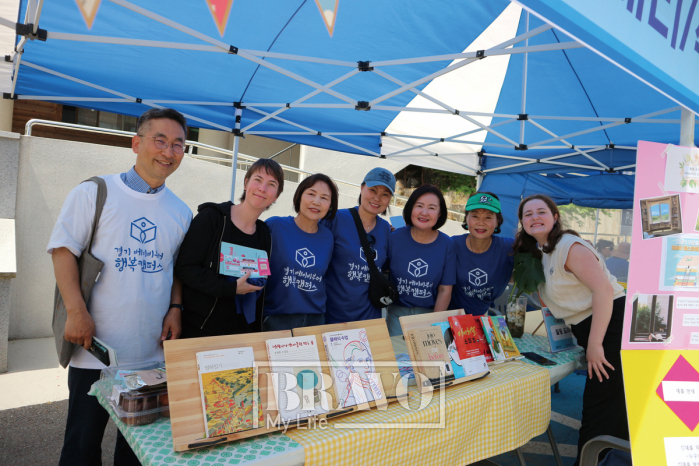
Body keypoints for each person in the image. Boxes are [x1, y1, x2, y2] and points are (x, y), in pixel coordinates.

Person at [48, 108, 193, 466]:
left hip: (150, 355)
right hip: (94, 351)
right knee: (82, 446)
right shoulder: (94, 192)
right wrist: (76, 312)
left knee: (137, 452)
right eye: (160, 140)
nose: (168, 151)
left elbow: (176, 269)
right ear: (136, 143)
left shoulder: (180, 211)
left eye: (178, 144)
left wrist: (175, 308)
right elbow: (63, 250)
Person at [513, 194, 627, 466]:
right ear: (522, 223)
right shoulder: (539, 254)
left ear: (555, 217)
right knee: (607, 404)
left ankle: (593, 461)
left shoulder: (569, 246)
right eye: (528, 214)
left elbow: (604, 291)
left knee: (600, 407)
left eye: (541, 211)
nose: (534, 217)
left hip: (612, 325)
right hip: (591, 329)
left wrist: (596, 344)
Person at [175, 158, 283, 338]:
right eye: (257, 179)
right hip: (200, 330)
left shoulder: (265, 233)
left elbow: (261, 278)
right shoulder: (213, 218)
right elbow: (185, 268)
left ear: (276, 195)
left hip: (242, 334)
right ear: (246, 183)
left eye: (271, 184)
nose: (262, 188)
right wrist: (230, 288)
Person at [262, 174, 339, 331]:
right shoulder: (275, 226)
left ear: (330, 205)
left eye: (324, 198)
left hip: (316, 320)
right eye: (311, 194)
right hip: (277, 319)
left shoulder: (328, 237)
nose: (316, 202)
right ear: (299, 196)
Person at [324, 167, 395, 324]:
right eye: (373, 190)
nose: (377, 198)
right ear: (362, 188)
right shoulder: (335, 219)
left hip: (369, 318)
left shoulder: (386, 229)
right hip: (333, 315)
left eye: (385, 194)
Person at [385, 185, 455, 336]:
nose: (424, 213)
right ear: (410, 208)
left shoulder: (447, 245)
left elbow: (445, 290)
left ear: (440, 213)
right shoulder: (394, 238)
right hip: (397, 314)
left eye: (431, 208)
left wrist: (435, 325)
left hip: (429, 316)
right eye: (419, 206)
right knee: (398, 357)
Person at [449, 192, 514, 316]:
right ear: (466, 218)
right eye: (475, 216)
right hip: (449, 318)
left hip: (484, 319)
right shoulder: (452, 245)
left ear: (497, 221)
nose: (481, 222)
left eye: (488, 217)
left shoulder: (508, 247)